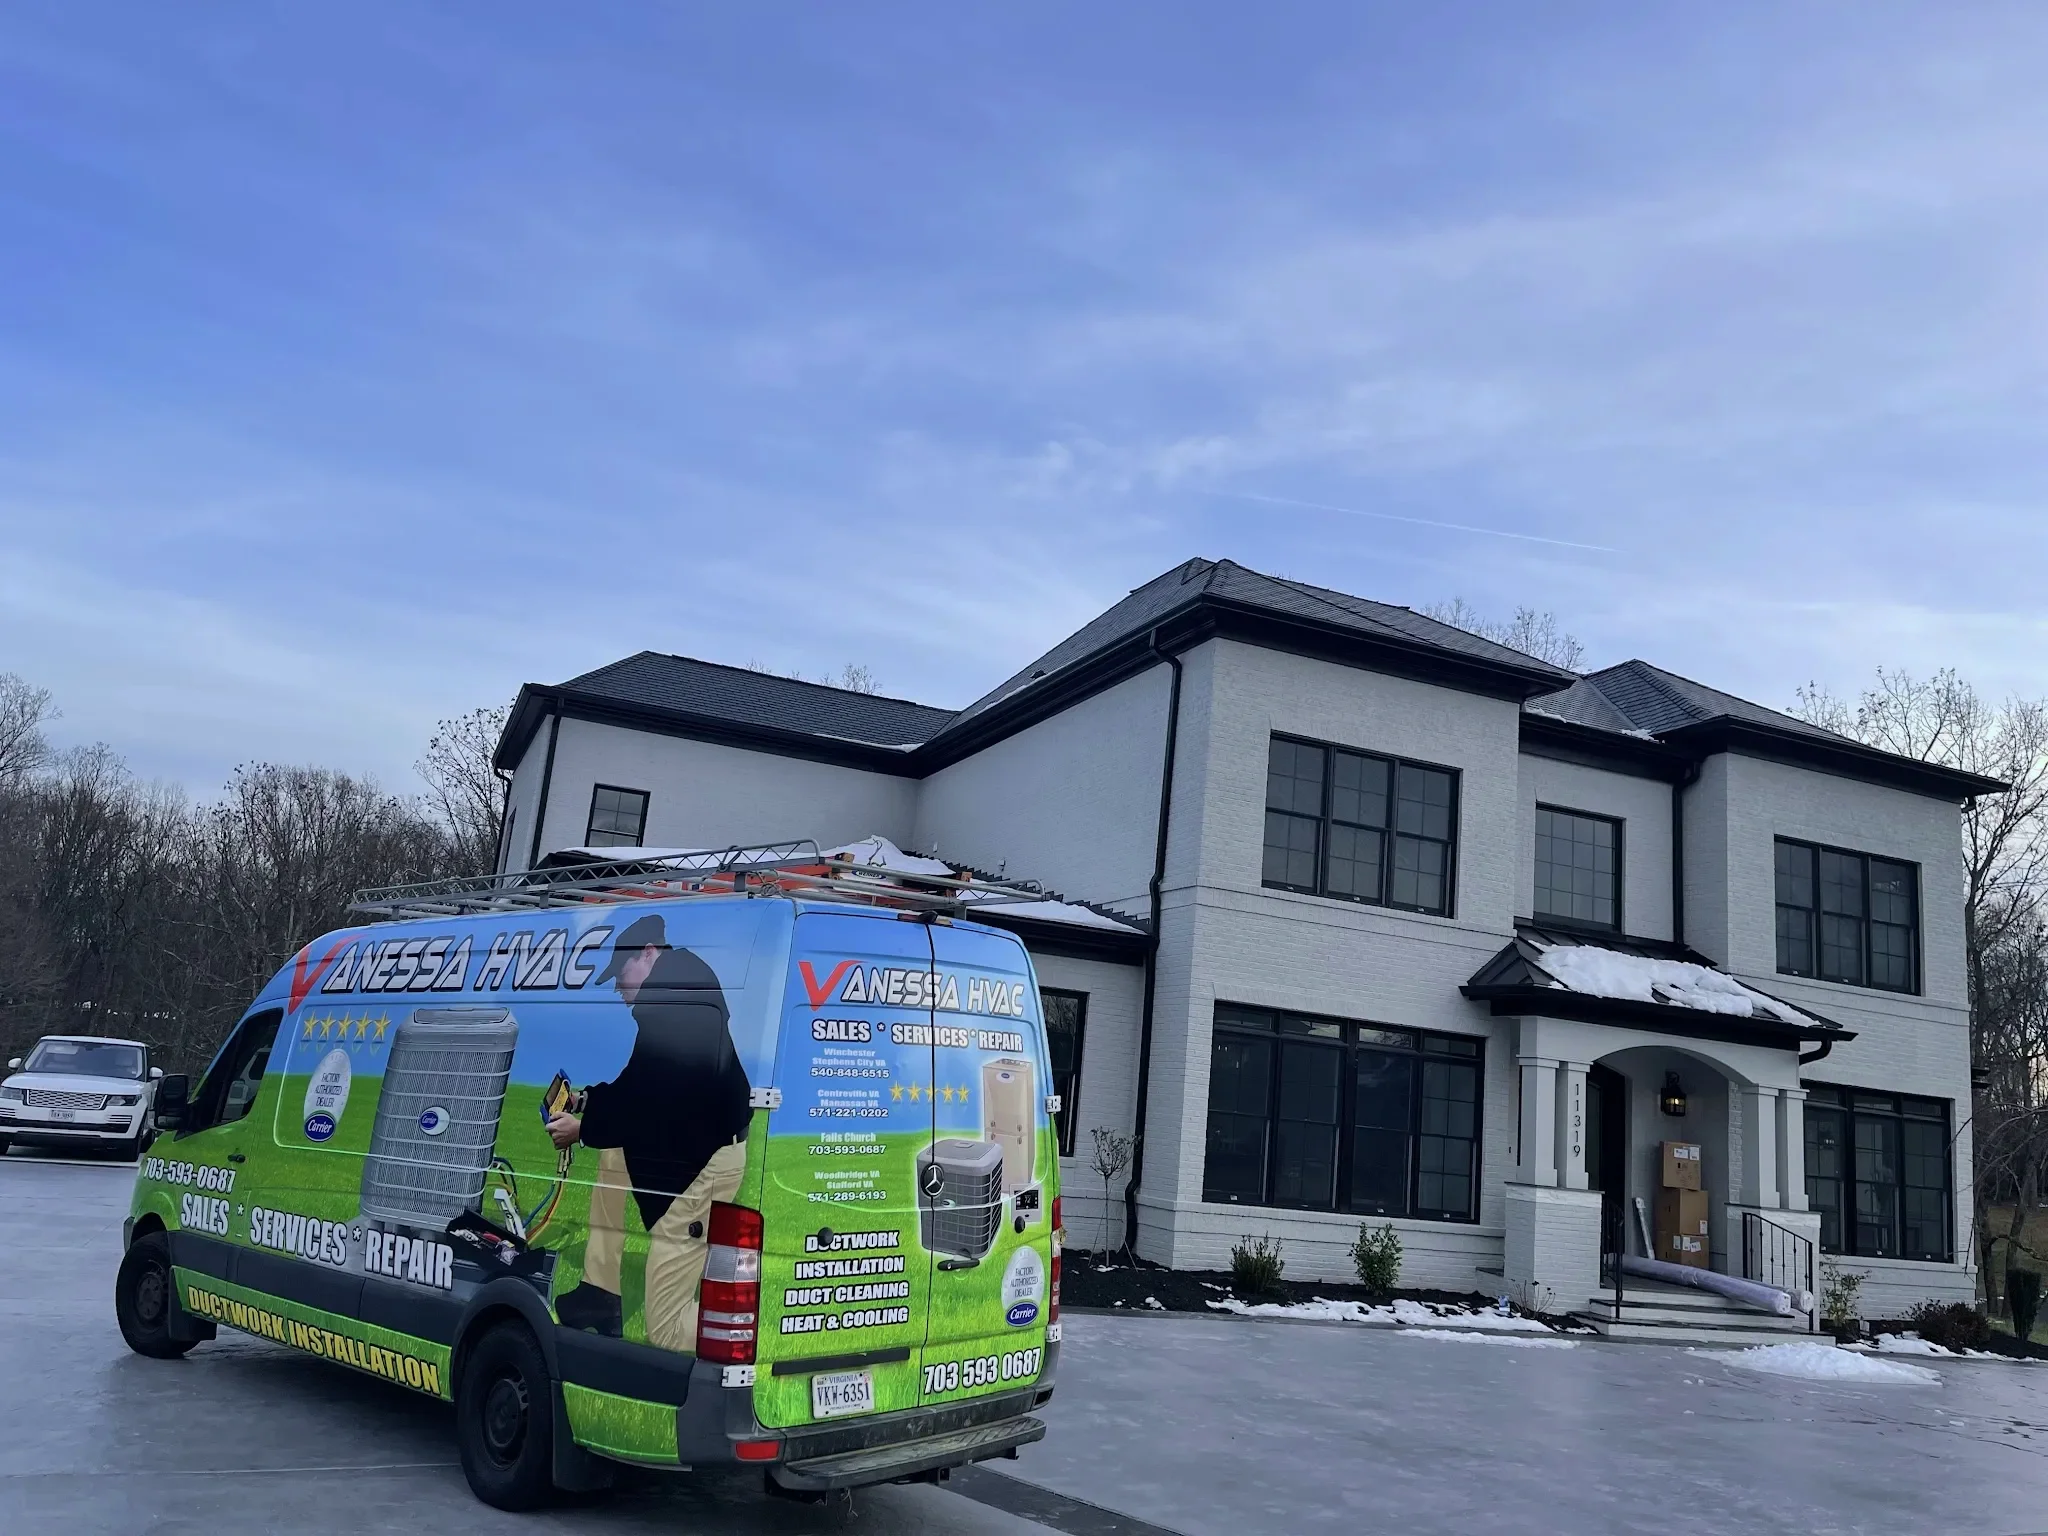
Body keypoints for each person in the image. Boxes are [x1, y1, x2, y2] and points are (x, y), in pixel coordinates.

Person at [546, 913, 753, 1349]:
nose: (618, 988)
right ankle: (601, 1292)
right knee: (613, 1157)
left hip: (701, 1165)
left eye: (621, 974)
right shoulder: (678, 993)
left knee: (665, 1329)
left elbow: (652, 1101)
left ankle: (745, 1335)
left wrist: (581, 1130)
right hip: (693, 1145)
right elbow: (641, 1082)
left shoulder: (676, 1005)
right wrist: (588, 1100)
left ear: (647, 953)